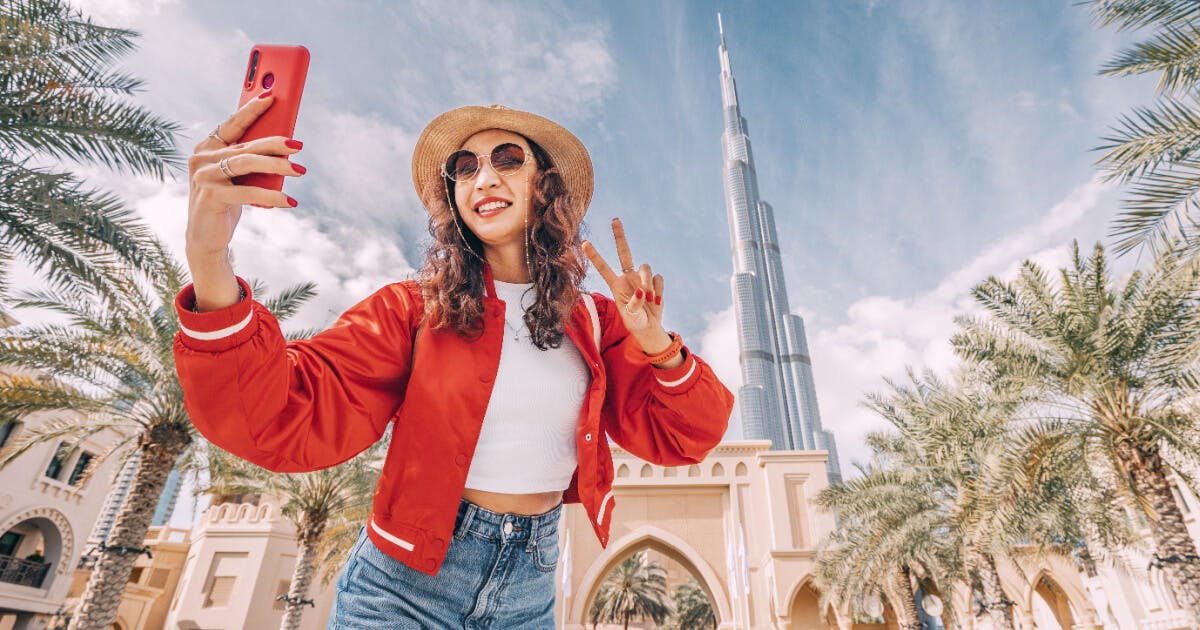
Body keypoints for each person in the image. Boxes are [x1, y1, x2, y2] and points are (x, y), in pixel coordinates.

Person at [174, 100, 734, 628]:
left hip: (529, 595)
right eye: (465, 168)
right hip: (400, 590)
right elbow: (278, 411)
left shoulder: (596, 321)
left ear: (545, 186)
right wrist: (209, 258)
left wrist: (658, 344)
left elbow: (687, 435)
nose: (483, 178)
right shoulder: (413, 310)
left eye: (508, 160)